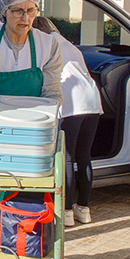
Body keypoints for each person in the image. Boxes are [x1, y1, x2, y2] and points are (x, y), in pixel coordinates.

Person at [33, 15, 102, 227]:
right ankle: (84, 209)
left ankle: (67, 212)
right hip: (92, 100)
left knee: (67, 158)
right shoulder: (70, 45)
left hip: (71, 102)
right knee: (84, 156)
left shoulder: (45, 45)